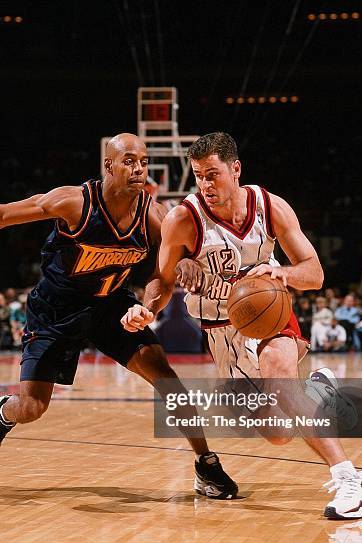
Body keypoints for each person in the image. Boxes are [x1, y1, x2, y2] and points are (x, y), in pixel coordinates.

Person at [122, 132, 362, 519]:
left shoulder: (271, 207)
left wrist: (282, 273)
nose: (206, 185)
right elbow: (162, 279)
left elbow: (315, 273)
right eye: (198, 176)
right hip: (220, 331)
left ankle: (351, 480)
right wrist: (148, 309)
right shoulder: (182, 219)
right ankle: (316, 390)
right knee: (277, 433)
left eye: (213, 174)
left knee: (279, 373)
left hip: (269, 315)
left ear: (235, 169)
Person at [0, 132, 238, 500]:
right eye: (129, 161)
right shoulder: (73, 203)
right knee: (31, 408)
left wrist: (151, 304)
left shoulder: (154, 216)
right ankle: (4, 412)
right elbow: (4, 214)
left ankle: (206, 464)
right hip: (56, 310)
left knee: (167, 378)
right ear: (108, 165)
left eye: (143, 162)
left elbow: (166, 269)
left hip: (112, 306)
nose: (138, 168)